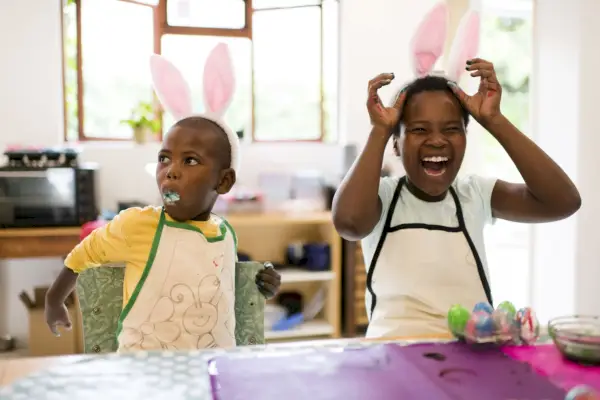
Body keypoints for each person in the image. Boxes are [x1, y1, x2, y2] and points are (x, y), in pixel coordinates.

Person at [332, 59, 581, 338]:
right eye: (419, 129)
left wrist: (495, 121)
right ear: (396, 143)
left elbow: (563, 201)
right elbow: (349, 223)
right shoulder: (381, 196)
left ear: (465, 136)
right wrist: (380, 130)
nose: (437, 140)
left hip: (470, 357)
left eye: (451, 129)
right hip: (392, 359)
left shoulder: (475, 194)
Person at [45, 116, 282, 351]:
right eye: (164, 159)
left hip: (209, 368)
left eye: (190, 160)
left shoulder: (225, 233)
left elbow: (223, 293)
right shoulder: (137, 225)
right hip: (145, 372)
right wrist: (54, 299)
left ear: (223, 181)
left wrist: (261, 285)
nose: (170, 171)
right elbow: (84, 253)